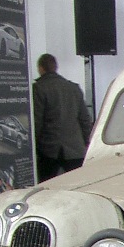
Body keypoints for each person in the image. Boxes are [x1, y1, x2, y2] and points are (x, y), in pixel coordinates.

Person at [32, 53, 93, 181]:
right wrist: (88, 142)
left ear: (41, 68)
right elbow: (84, 119)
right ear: (55, 67)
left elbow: (37, 121)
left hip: (49, 149)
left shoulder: (38, 88)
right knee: (78, 185)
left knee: (47, 186)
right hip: (75, 149)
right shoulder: (73, 88)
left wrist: (33, 145)